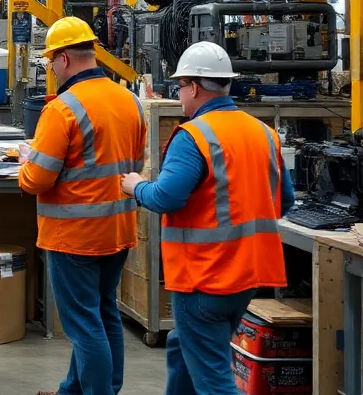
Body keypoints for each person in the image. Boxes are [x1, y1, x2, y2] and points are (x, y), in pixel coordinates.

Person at [121, 42, 293, 395]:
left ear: (195, 87)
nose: (179, 95)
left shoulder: (194, 136)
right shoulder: (264, 133)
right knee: (183, 349)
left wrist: (136, 186)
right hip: (247, 275)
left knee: (215, 382)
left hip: (204, 277)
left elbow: (166, 197)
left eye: (180, 87)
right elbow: (284, 202)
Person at [18, 17, 147, 395]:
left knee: (84, 325)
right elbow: (134, 164)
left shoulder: (63, 109)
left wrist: (26, 163)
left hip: (74, 235)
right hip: (117, 229)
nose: (50, 69)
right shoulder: (130, 101)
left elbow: (37, 180)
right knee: (104, 313)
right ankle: (79, 390)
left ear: (63, 59)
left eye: (50, 61)